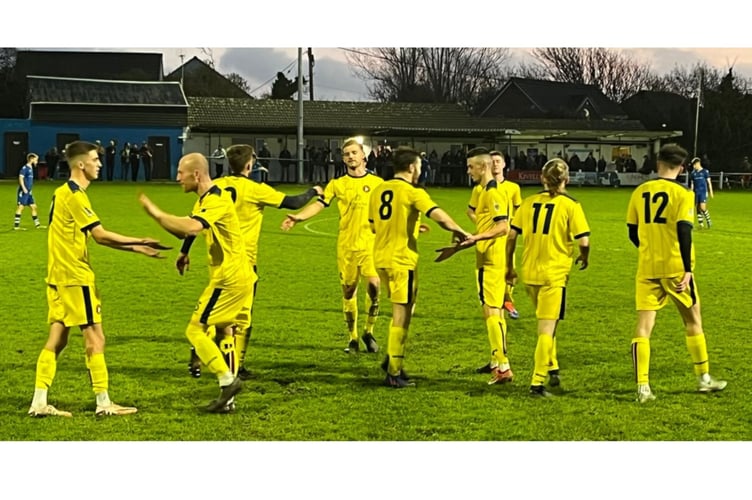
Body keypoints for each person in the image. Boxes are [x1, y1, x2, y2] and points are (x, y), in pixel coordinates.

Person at [27, 140, 168, 418]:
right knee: (95, 337)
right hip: (75, 276)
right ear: (81, 164)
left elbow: (92, 236)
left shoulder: (60, 192)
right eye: (95, 159)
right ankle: (104, 402)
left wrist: (135, 248)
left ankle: (39, 402)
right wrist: (139, 238)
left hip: (57, 275)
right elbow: (101, 234)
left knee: (58, 337)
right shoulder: (76, 196)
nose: (100, 164)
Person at [181, 144, 322, 380]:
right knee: (238, 319)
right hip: (243, 262)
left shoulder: (214, 188)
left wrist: (184, 252)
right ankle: (233, 365)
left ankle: (205, 353)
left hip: (216, 259)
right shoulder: (256, 188)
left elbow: (196, 223)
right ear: (249, 165)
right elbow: (293, 202)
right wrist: (314, 190)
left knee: (215, 309)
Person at [139, 152, 251, 413]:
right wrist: (184, 252)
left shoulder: (216, 200)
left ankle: (227, 382)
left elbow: (190, 226)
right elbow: (195, 224)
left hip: (230, 277)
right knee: (224, 330)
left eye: (181, 173)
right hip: (237, 274)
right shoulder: (206, 199)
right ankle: (228, 400)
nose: (177, 178)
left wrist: (155, 212)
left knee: (195, 330)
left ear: (196, 175)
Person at [626, 143, 727, 403]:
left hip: (647, 267)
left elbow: (632, 233)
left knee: (643, 327)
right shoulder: (683, 194)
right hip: (675, 268)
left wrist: (648, 249)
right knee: (693, 321)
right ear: (681, 168)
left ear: (658, 163)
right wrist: (686, 270)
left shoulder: (640, 192)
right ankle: (704, 378)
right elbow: (684, 231)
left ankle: (643, 388)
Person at [369, 146, 469, 388]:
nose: (421, 171)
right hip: (402, 259)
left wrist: (412, 226)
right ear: (412, 167)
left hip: (380, 259)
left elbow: (374, 226)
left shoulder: (378, 190)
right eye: (420, 167)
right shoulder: (412, 192)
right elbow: (439, 215)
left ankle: (394, 359)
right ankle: (393, 372)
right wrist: (461, 231)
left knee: (405, 310)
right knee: (402, 315)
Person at [282, 138, 383, 354]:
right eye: (346, 154)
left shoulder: (379, 184)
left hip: (371, 244)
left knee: (374, 286)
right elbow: (320, 204)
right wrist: (299, 217)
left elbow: (391, 209)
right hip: (346, 246)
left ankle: (369, 330)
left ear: (363, 156)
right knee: (349, 291)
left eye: (354, 152)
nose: (350, 157)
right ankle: (353, 338)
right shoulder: (337, 184)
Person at [505, 158, 591, 397]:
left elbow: (511, 237)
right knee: (546, 328)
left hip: (530, 272)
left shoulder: (528, 203)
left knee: (545, 324)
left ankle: (552, 367)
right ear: (567, 179)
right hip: (554, 275)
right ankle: (537, 383)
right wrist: (585, 256)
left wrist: (508, 267)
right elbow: (584, 240)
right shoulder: (571, 205)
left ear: (542, 178)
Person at [462, 148, 513, 384]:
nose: (468, 170)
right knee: (495, 311)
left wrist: (477, 238)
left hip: (490, 258)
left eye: (471, 166)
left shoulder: (492, 194)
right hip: (492, 256)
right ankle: (497, 360)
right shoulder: (483, 191)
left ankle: (502, 366)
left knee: (491, 310)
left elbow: (503, 226)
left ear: (482, 167)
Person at [14, 153, 45, 230]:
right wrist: (24, 188)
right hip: (24, 191)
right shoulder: (25, 168)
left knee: (33, 207)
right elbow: (20, 178)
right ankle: (16, 226)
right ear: (31, 159)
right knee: (20, 207)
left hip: (29, 192)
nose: (37, 161)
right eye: (36, 159)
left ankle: (37, 225)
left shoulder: (30, 168)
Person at [688, 157, 714, 228]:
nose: (693, 166)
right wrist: (691, 192)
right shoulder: (693, 173)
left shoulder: (705, 172)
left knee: (703, 207)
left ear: (698, 164)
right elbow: (692, 184)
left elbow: (709, 182)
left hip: (703, 192)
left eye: (694, 164)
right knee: (697, 207)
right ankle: (701, 224)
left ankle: (709, 220)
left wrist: (711, 191)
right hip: (696, 193)